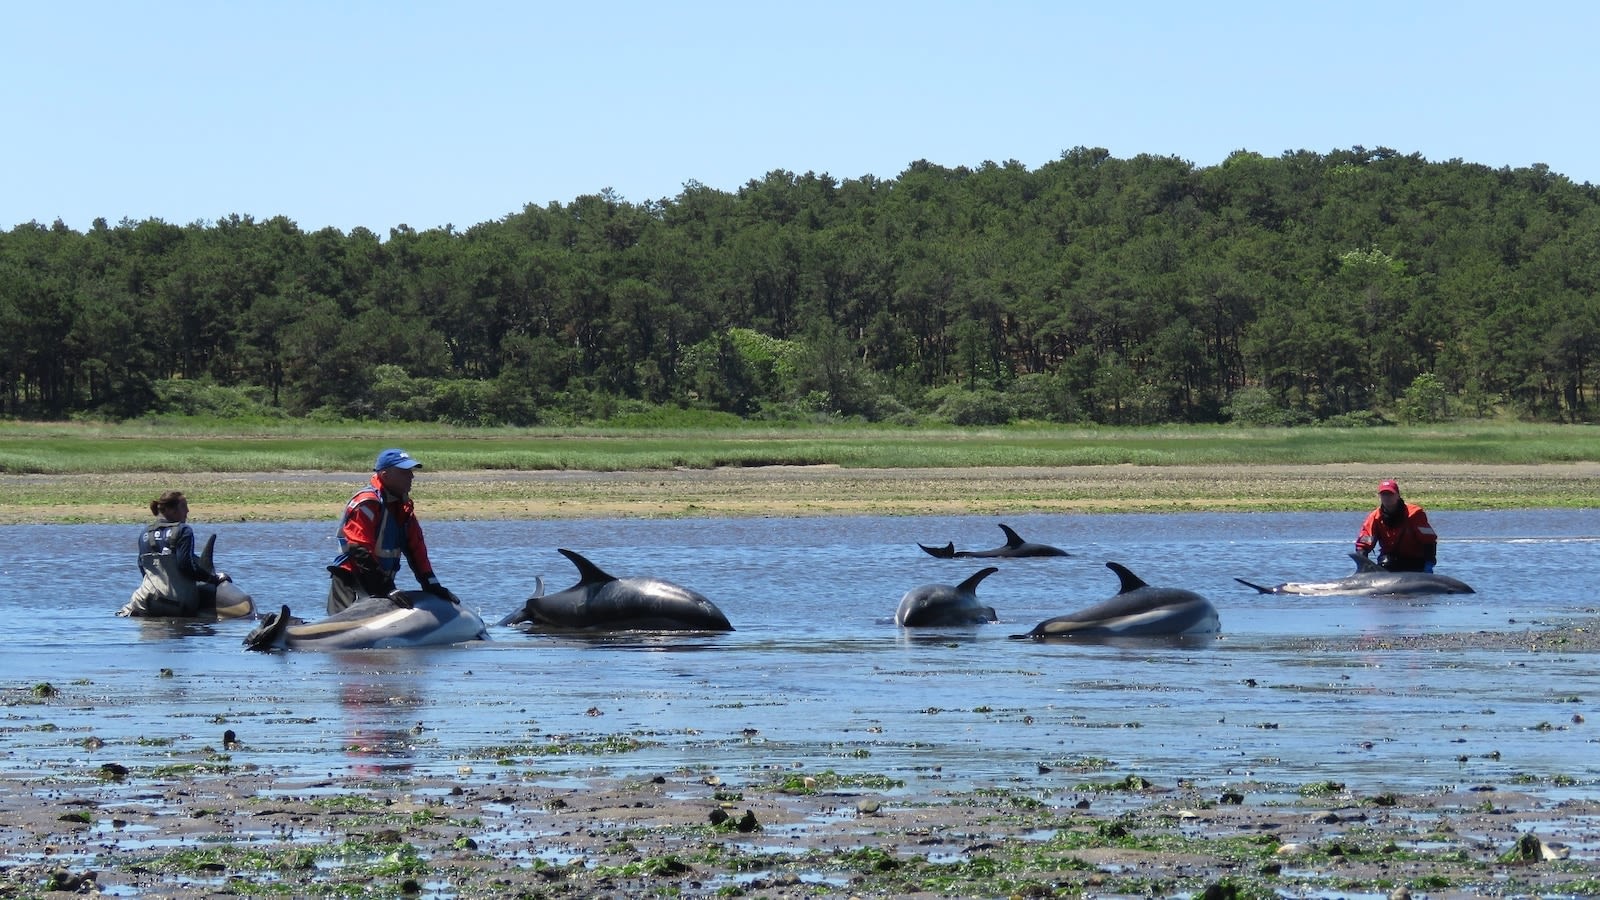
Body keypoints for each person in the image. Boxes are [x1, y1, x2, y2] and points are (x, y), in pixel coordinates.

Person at [326, 448, 459, 613]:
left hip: (381, 582)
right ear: (385, 475)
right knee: (343, 633)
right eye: (404, 472)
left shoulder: (403, 508)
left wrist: (432, 585)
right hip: (351, 581)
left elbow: (417, 551)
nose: (411, 476)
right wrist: (387, 588)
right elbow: (358, 550)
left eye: (410, 471)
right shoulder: (367, 503)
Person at [120, 491, 230, 617]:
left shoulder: (145, 533)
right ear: (171, 510)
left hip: (145, 600)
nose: (187, 511)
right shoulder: (184, 530)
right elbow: (185, 565)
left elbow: (142, 567)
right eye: (183, 506)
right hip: (177, 603)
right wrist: (212, 579)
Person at [1355, 478, 1438, 572]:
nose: (1387, 497)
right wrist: (1363, 567)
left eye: (1390, 494)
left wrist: (1429, 564)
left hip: (1415, 561)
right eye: (1383, 494)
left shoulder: (1415, 514)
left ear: (1398, 495)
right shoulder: (1375, 517)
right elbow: (1363, 545)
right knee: (1385, 562)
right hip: (1389, 561)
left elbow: (1429, 541)